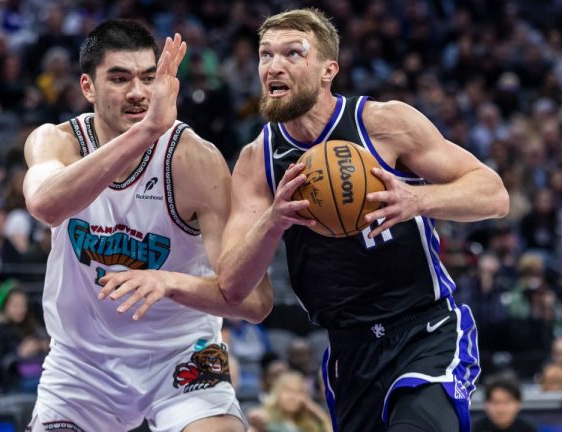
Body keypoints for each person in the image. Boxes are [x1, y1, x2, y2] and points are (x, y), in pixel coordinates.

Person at [217, 8, 509, 432]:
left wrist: (416, 199)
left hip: (424, 330)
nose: (274, 66)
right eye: (265, 55)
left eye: (292, 54)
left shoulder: (382, 123)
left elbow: (494, 193)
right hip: (348, 352)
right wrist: (274, 220)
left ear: (327, 70)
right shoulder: (254, 162)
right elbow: (231, 284)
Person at [23, 19, 271, 432]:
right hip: (82, 364)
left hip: (181, 357)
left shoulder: (193, 160)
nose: (138, 93)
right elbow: (46, 206)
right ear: (88, 87)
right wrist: (146, 132)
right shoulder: (56, 141)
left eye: (148, 78)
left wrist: (169, 282)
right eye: (120, 79)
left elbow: (255, 302)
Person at [472, 376, 537, 432]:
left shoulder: (528, 429)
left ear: (518, 403)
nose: (500, 409)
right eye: (495, 402)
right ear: (486, 403)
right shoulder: (473, 428)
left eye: (506, 402)